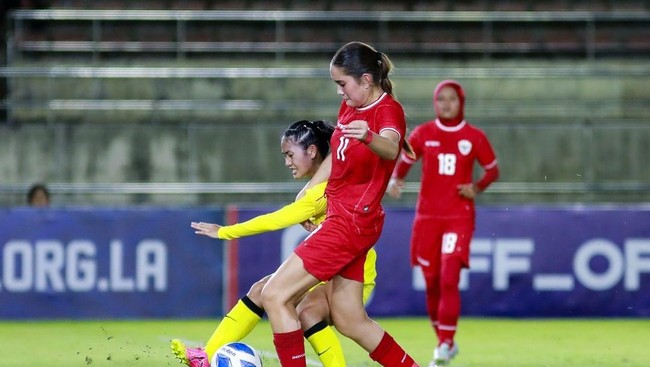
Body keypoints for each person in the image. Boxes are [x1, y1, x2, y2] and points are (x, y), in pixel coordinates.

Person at [260, 41, 419, 367]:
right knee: (349, 320)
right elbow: (337, 158)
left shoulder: (388, 111)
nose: (339, 92)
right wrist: (309, 190)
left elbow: (391, 147)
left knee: (274, 295)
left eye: (342, 84)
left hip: (350, 222)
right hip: (350, 217)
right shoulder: (350, 107)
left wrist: (368, 137)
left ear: (365, 79)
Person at [170, 119, 378, 367]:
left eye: (290, 154)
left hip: (351, 270)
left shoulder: (321, 192)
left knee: (303, 309)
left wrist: (226, 231)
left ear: (311, 151)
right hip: (337, 264)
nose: (287, 162)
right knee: (264, 291)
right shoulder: (320, 186)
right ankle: (206, 356)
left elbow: (276, 220)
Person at [386, 79, 499, 367]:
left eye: (451, 99)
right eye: (441, 99)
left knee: (449, 277)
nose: (446, 104)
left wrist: (477, 187)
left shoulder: (474, 136)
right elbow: (407, 159)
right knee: (432, 282)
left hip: (458, 216)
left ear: (461, 102)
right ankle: (444, 340)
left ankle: (444, 344)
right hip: (427, 219)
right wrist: (397, 178)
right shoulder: (424, 133)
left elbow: (492, 169)